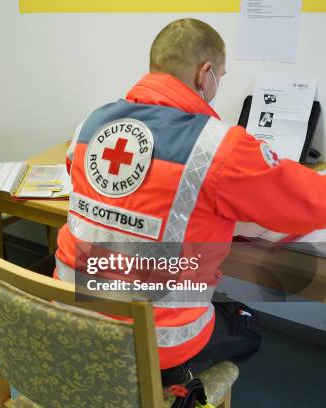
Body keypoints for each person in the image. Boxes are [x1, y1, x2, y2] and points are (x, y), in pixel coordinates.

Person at [55, 18, 326, 386]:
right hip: (159, 339)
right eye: (222, 76)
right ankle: (177, 386)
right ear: (206, 74)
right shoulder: (219, 147)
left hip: (70, 310)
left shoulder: (91, 122)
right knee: (248, 326)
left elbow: (80, 176)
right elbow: (309, 203)